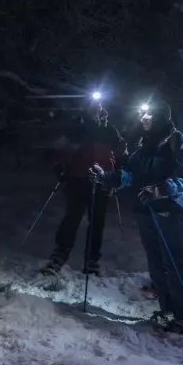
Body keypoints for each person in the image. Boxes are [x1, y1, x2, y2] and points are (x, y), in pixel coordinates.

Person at [91, 101, 183, 334]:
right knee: (156, 263)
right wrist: (106, 177)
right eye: (143, 114)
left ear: (160, 116)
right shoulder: (144, 143)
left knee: (174, 263)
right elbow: (130, 173)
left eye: (149, 114)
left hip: (167, 210)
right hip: (145, 210)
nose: (144, 118)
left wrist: (159, 189)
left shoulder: (176, 141)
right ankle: (168, 309)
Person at [41, 100, 126, 277]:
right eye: (92, 108)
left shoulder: (110, 131)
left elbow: (120, 154)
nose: (95, 112)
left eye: (98, 108)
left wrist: (116, 173)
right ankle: (58, 256)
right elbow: (60, 150)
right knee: (71, 220)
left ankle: (92, 260)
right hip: (77, 179)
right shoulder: (77, 129)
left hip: (101, 181)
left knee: (97, 223)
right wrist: (60, 169)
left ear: (103, 110)